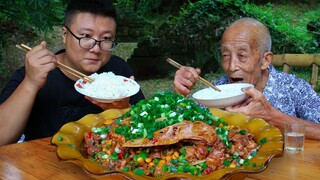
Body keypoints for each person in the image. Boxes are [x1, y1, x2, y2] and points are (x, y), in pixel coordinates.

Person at [0, 0, 145, 146]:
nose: (95, 49)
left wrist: (124, 110)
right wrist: (30, 83)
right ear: (64, 34)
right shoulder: (35, 73)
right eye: (86, 36)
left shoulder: (119, 73)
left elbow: (147, 131)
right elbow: (2, 138)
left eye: (106, 38)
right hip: (43, 165)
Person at [173, 17, 320, 140]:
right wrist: (179, 94)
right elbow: (179, 126)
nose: (231, 67)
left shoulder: (294, 88)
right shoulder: (217, 91)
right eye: (226, 55)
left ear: (265, 60)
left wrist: (272, 117)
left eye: (242, 56)